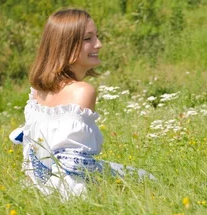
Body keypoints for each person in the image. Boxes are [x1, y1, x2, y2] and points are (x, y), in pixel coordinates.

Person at [10, 8, 152, 199]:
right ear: (65, 45)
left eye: (97, 37)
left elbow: (34, 153)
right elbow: (74, 167)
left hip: (38, 183)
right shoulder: (82, 91)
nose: (99, 44)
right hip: (66, 189)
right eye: (88, 39)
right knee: (147, 179)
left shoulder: (38, 89)